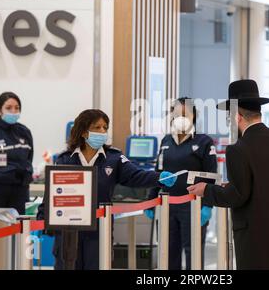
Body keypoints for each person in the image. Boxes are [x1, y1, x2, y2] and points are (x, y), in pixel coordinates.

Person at [188, 80, 269, 270]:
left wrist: (206, 190)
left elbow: (238, 195)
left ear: (237, 116)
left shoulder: (238, 149)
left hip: (259, 240)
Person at [37, 109, 177, 270]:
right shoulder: (64, 159)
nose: (103, 131)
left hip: (99, 231)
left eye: (105, 127)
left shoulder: (114, 158)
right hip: (67, 230)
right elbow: (52, 193)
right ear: (83, 132)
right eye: (97, 127)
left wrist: (159, 178)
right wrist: (43, 218)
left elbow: (136, 176)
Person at [145, 98, 217, 270]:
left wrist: (207, 206)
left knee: (193, 253)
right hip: (167, 205)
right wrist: (150, 199)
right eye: (177, 114)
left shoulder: (204, 142)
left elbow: (211, 177)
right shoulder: (166, 141)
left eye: (185, 114)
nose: (180, 117)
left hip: (193, 206)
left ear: (194, 117)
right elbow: (158, 173)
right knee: (168, 252)